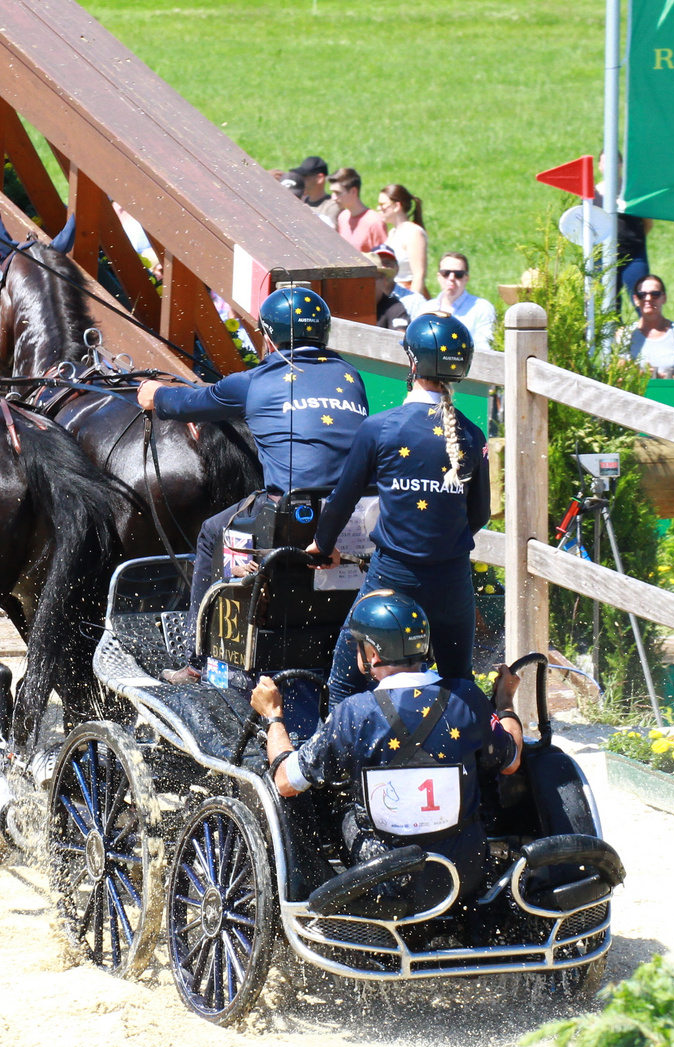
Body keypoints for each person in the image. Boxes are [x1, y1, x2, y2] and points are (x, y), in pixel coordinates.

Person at [136, 287, 370, 683]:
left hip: (289, 516)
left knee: (212, 533)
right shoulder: (350, 376)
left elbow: (190, 404)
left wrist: (154, 394)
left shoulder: (255, 381)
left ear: (267, 336)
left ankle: (198, 661)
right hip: (356, 516)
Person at [256, 591, 524, 901]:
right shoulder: (467, 697)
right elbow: (512, 759)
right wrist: (504, 703)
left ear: (371, 655)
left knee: (338, 802)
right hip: (465, 873)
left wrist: (273, 716)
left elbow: (285, 782)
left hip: (387, 881)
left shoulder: (354, 713)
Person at [308, 312, 490, 706]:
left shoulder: (380, 428)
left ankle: (340, 765)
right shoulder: (472, 436)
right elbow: (480, 516)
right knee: (459, 684)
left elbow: (343, 500)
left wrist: (322, 544)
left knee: (345, 683)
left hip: (392, 577)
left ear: (412, 363)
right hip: (452, 581)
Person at [621, 274, 674, 378]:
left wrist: (660, 377)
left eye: (655, 294)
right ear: (636, 300)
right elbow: (618, 377)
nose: (648, 298)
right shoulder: (625, 335)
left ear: (664, 298)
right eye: (642, 294)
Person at [421, 252, 496, 351]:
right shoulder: (426, 308)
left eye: (458, 274)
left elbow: (485, 349)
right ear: (438, 276)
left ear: (466, 278)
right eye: (446, 273)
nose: (451, 278)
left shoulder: (482, 308)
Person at [377, 184, 428, 302]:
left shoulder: (414, 232)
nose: (379, 208)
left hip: (408, 296)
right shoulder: (392, 233)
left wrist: (413, 305)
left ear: (396, 206)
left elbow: (418, 275)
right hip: (391, 296)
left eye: (382, 205)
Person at [331, 168, 387, 253]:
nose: (333, 198)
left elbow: (384, 260)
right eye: (332, 192)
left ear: (353, 191)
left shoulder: (375, 222)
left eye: (338, 193)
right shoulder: (342, 217)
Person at [288, 156, 340, 227]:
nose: (301, 181)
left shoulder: (333, 207)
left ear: (320, 178)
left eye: (305, 177)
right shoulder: (302, 202)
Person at [372, 250, 411, 330]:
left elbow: (400, 337)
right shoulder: (346, 304)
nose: (367, 284)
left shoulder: (395, 307)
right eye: (362, 279)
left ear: (384, 281)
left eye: (373, 278)